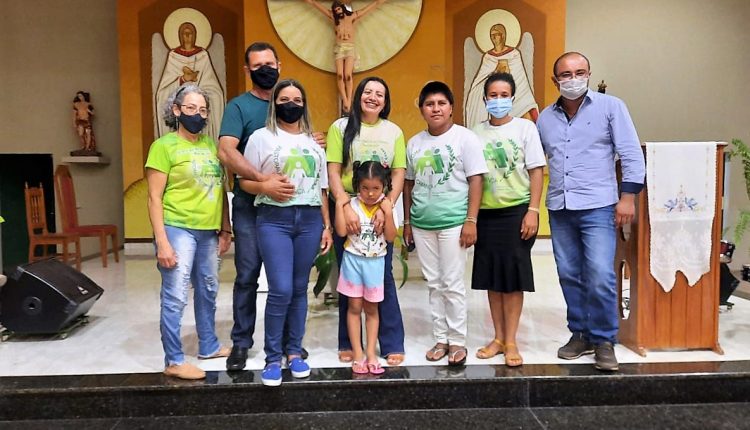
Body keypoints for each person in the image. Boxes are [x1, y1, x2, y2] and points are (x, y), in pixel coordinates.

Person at [536, 52, 645, 371]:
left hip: (599, 205)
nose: (573, 79)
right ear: (555, 80)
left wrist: (628, 197)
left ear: (588, 73)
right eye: (566, 74)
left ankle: (604, 340)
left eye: (579, 72)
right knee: (569, 274)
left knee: (599, 274)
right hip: (560, 206)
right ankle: (580, 334)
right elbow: (536, 162)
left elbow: (630, 153)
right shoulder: (545, 118)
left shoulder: (612, 108)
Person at [241, 79, 332, 386]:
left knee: (298, 288)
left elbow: (321, 189)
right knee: (279, 288)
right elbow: (244, 182)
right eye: (284, 99)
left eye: (297, 98)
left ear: (303, 104)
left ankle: (294, 352)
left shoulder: (313, 142)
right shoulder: (260, 137)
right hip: (274, 219)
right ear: (274, 103)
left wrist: (327, 225)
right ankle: (272, 358)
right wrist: (265, 185)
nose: (290, 104)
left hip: (309, 220)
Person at [145, 83, 232, 380]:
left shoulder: (210, 146)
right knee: (176, 294)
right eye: (191, 108)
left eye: (203, 110)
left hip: (208, 230)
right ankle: (174, 359)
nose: (198, 114)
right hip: (178, 227)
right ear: (177, 110)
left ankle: (208, 345)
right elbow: (154, 197)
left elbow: (221, 188)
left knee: (208, 290)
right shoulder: (163, 147)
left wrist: (225, 227)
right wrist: (162, 242)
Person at [403, 81, 488, 366]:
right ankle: (441, 338)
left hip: (454, 222)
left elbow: (477, 179)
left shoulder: (465, 138)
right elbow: (408, 184)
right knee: (434, 283)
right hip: (422, 222)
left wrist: (471, 220)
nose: (435, 108)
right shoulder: (414, 143)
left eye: (441, 103)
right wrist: (406, 222)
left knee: (452, 283)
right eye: (429, 104)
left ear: (451, 108)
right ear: (422, 109)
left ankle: (458, 341)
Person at [326, 76, 406, 366]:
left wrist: (387, 206)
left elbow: (397, 174)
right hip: (348, 206)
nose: (373, 98)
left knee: (382, 277)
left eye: (380, 95)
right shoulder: (340, 128)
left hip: (381, 206)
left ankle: (392, 341)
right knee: (350, 280)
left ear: (386, 102)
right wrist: (344, 205)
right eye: (368, 92)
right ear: (359, 95)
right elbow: (334, 171)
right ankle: (349, 343)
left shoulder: (393, 131)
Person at [470, 72, 545, 367]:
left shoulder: (525, 129)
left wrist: (533, 210)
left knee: (512, 281)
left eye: (504, 95)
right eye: (493, 95)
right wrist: (471, 218)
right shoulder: (475, 132)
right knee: (492, 278)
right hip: (487, 214)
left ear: (512, 98)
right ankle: (498, 338)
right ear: (485, 98)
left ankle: (512, 340)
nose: (498, 100)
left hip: (517, 212)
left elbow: (537, 169)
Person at [335, 161, 396, 375]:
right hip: (353, 262)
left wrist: (387, 212)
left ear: (384, 186)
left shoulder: (385, 206)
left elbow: (390, 237)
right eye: (364, 188)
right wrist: (340, 205)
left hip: (376, 263)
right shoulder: (351, 206)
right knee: (354, 307)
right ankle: (358, 353)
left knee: (372, 309)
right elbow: (342, 232)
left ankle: (371, 353)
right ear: (357, 186)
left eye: (376, 188)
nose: (370, 193)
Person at [303, 0, 386, 113]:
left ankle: (349, 101)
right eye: (336, 10)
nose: (338, 11)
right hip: (339, 48)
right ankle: (345, 100)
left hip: (350, 48)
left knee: (348, 75)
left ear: (343, 8)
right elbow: (315, 4)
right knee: (340, 75)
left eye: (339, 9)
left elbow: (372, 6)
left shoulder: (352, 16)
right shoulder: (333, 18)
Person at [155, 21, 225, 141]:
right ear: (179, 36)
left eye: (190, 33)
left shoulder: (203, 55)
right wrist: (182, 80)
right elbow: (163, 90)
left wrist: (199, 93)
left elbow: (214, 87)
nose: (187, 36)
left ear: (195, 36)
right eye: (184, 33)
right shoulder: (173, 56)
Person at [464, 23, 538, 129]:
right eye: (491, 35)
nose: (493, 38)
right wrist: (495, 70)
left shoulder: (514, 54)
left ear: (503, 36)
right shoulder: (488, 57)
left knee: (526, 109)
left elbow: (520, 80)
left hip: (516, 96)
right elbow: (480, 81)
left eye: (496, 34)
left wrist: (506, 69)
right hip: (494, 100)